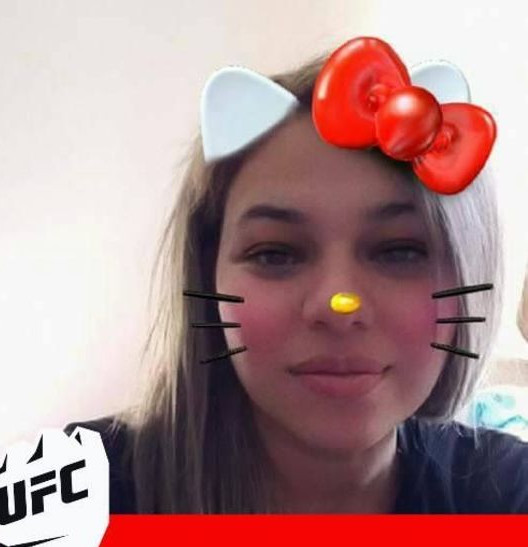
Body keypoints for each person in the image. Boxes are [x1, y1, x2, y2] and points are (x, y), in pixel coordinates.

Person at [64, 37, 528, 513]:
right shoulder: (74, 499)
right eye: (275, 254)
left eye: (399, 252)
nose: (339, 304)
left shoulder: (510, 489)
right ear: (208, 279)